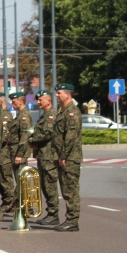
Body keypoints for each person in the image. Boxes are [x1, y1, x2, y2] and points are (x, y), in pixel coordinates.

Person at [53, 83, 82, 232]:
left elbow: (70, 137)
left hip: (70, 158)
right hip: (63, 157)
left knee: (71, 190)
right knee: (66, 190)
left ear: (67, 95)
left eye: (59, 93)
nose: (57, 95)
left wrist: (63, 156)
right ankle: (70, 219)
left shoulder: (72, 112)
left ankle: (72, 221)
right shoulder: (62, 111)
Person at [29, 90, 60, 225]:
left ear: (48, 100)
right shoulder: (44, 115)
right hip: (43, 155)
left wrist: (32, 140)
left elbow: (46, 134)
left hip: (48, 156)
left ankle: (53, 214)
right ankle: (51, 213)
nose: (38, 102)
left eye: (41, 100)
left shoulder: (51, 115)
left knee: (49, 185)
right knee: (45, 185)